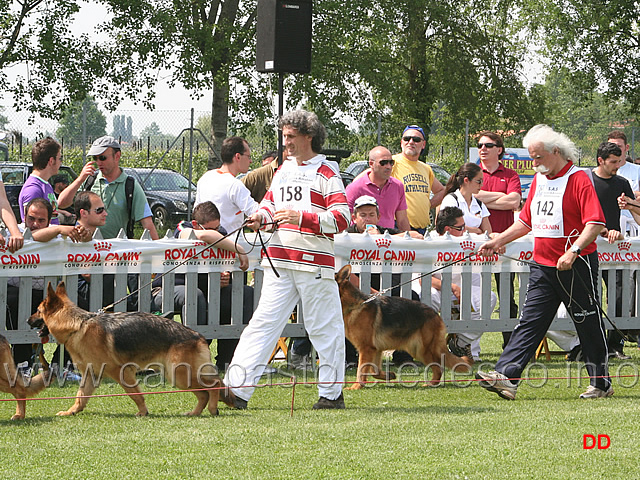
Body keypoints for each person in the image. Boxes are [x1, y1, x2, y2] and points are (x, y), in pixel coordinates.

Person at [224, 110, 350, 410]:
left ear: (309, 137)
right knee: (262, 325)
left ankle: (331, 395)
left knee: (324, 327)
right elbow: (269, 206)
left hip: (314, 264)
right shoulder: (281, 171)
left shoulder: (327, 172)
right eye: (284, 136)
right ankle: (235, 390)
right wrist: (259, 217)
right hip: (279, 262)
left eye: (291, 136)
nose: (286, 142)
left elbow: (342, 217)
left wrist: (301, 217)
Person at [476, 124, 611, 400]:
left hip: (576, 267)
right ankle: (507, 377)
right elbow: (526, 221)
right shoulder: (538, 180)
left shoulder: (579, 179)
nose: (534, 163)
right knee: (530, 321)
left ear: (556, 152)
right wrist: (499, 240)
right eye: (531, 157)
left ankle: (601, 383)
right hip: (543, 265)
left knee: (586, 323)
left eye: (538, 157)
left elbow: (595, 222)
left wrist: (572, 251)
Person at [150, 201, 252, 370]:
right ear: (196, 224)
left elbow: (225, 266)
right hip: (168, 288)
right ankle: (193, 359)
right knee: (194, 295)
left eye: (218, 227)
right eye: (212, 228)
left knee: (245, 294)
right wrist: (239, 249)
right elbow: (202, 236)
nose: (217, 232)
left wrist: (226, 278)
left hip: (205, 289)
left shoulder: (221, 233)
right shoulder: (183, 228)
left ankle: (227, 361)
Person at [7, 198, 88, 370]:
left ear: (49, 220)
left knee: (79, 306)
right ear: (24, 216)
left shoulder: (58, 234)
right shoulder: (15, 231)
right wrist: (59, 228)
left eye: (41, 220)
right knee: (12, 303)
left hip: (47, 294)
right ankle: (23, 362)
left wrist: (83, 233)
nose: (35, 224)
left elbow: (85, 241)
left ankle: (62, 364)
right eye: (31, 218)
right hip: (16, 289)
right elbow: (32, 238)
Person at [591, 142, 640, 360]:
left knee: (620, 297)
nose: (618, 166)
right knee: (591, 299)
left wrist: (631, 206)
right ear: (600, 160)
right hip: (589, 248)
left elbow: (638, 217)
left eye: (619, 161)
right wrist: (601, 230)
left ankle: (616, 345)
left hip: (614, 251)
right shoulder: (586, 181)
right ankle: (591, 344)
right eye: (613, 162)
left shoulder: (622, 183)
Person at [473, 131, 522, 347]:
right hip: (477, 244)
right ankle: (470, 344)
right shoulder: (473, 172)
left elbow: (514, 201)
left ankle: (509, 343)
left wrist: (481, 198)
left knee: (507, 296)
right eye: (480, 145)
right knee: (476, 296)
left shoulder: (510, 175)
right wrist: (499, 199)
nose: (483, 148)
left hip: (504, 243)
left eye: (488, 145)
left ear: (499, 150)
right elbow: (468, 197)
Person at [431, 207, 496, 361]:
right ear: (448, 229)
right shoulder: (430, 241)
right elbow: (422, 279)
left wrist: (497, 237)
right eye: (461, 227)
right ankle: (431, 348)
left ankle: (461, 342)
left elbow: (488, 237)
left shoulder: (465, 238)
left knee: (489, 297)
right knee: (429, 298)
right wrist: (451, 287)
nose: (465, 230)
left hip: (461, 288)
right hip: (436, 289)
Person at [86, 135, 159, 240]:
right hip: (88, 250)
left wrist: (158, 252)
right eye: (95, 158)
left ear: (117, 156)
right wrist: (79, 180)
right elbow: (62, 203)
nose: (98, 162)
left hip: (119, 251)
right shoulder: (90, 181)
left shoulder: (130, 186)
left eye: (102, 157)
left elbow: (147, 222)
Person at [19, 137, 94, 225]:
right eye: (60, 158)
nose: (60, 163)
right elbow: (32, 227)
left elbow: (60, 206)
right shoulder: (33, 189)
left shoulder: (45, 184)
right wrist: (62, 230)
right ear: (51, 161)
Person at [195, 136, 258, 233]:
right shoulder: (235, 185)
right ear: (237, 157)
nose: (250, 161)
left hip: (206, 243)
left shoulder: (205, 178)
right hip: (229, 243)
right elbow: (256, 212)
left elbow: (196, 212)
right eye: (248, 157)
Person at [391, 125, 445, 233]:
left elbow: (441, 191)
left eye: (416, 140)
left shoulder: (425, 168)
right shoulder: (392, 162)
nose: (411, 142)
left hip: (421, 229)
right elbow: (368, 179)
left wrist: (427, 204)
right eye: (407, 139)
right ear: (401, 142)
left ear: (423, 144)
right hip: (397, 227)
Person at [345, 146, 410, 230]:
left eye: (391, 162)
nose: (388, 166)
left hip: (388, 239)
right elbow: (345, 220)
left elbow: (402, 220)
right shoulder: (354, 188)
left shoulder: (398, 186)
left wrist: (409, 240)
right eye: (383, 163)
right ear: (371, 164)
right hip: (362, 240)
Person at [439, 163, 492, 234]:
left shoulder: (479, 204)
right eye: (478, 181)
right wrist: (477, 230)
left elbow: (488, 233)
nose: (481, 185)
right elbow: (451, 227)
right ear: (466, 180)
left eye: (482, 181)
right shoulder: (451, 200)